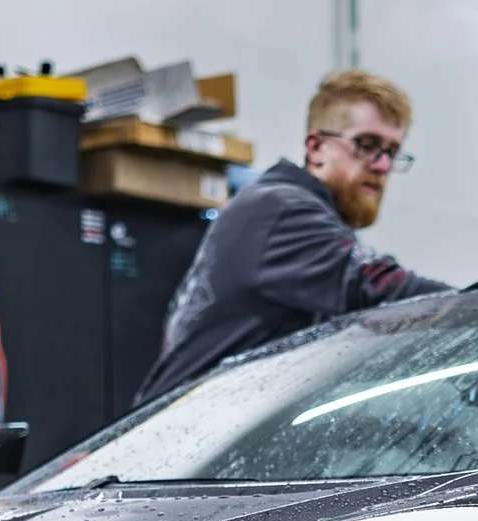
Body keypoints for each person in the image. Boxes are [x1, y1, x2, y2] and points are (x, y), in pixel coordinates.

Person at [136, 69, 450, 401]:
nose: (383, 166)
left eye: (391, 151)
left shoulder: (290, 213)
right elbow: (385, 289)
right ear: (315, 148)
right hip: (188, 433)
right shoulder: (281, 209)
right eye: (367, 145)